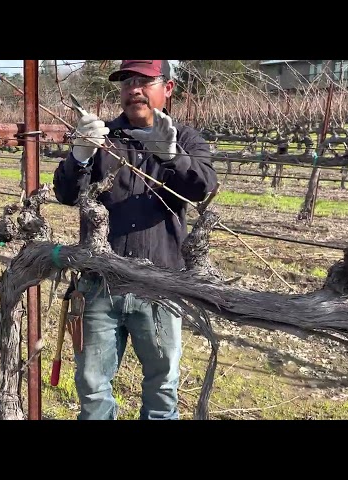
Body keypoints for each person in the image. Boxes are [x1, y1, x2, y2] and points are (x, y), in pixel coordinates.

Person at [52, 60, 218, 420]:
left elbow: (203, 187)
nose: (134, 89)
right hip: (99, 283)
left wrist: (172, 156)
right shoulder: (103, 137)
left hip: (159, 286)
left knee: (162, 388)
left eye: (145, 80)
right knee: (92, 387)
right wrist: (79, 155)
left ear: (168, 88)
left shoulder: (186, 139)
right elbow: (65, 194)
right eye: (127, 81)